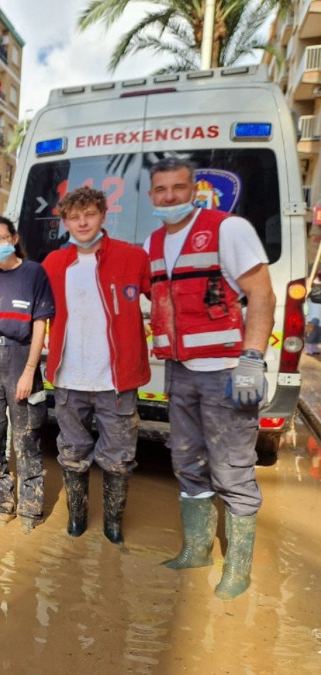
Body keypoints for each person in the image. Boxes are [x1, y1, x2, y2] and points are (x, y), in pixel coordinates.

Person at [145, 157, 275, 600]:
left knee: (233, 471)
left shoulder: (227, 228)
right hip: (180, 373)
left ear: (194, 189)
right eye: (161, 190)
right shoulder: (154, 241)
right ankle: (197, 550)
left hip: (225, 373)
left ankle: (238, 571)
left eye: (178, 188)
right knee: (186, 463)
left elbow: (261, 292)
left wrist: (252, 358)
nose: (169, 197)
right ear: (151, 195)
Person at [42, 187, 151, 544]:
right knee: (72, 453)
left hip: (116, 381)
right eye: (75, 217)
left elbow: (164, 299)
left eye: (89, 214)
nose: (83, 222)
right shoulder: (54, 264)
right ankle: (77, 519)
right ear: (65, 223)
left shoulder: (133, 258)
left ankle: (113, 524)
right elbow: (34, 315)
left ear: (103, 215)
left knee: (119, 458)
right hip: (69, 378)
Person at [0, 216, 54, 531]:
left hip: (22, 360)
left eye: (1, 238)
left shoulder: (34, 273)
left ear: (14, 238)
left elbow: (40, 325)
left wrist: (29, 371)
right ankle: (1, 502)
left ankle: (31, 510)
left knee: (28, 439)